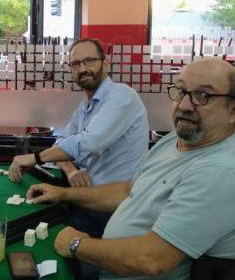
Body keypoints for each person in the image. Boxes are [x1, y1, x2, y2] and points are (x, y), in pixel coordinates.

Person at [27, 58, 235, 280]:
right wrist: (63, 193)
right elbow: (129, 191)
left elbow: (152, 259)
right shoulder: (175, 139)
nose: (184, 105)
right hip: (108, 263)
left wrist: (77, 245)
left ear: (232, 111)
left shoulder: (220, 170)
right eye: (181, 90)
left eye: (203, 96)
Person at [9, 38, 149, 240]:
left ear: (105, 63)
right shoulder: (85, 106)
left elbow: (90, 142)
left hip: (116, 209)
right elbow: (62, 141)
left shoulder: (123, 96)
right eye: (76, 64)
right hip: (87, 199)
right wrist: (71, 170)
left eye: (89, 61)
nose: (83, 68)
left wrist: (35, 158)